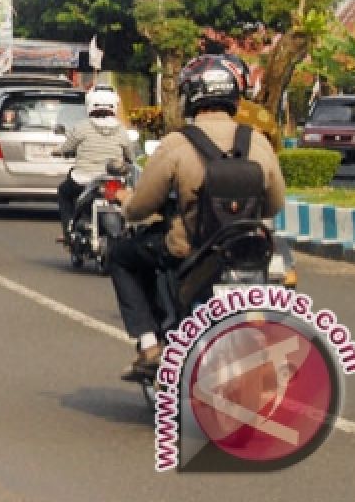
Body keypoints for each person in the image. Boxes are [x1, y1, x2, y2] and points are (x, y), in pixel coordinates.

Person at [108, 54, 285, 381]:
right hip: (246, 252)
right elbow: (274, 204)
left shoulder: (177, 144)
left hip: (188, 252)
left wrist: (126, 202)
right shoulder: (257, 141)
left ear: (190, 96)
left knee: (120, 255)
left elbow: (141, 207)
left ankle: (150, 348)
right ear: (233, 96)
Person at [55, 86, 136, 243]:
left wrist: (56, 151)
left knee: (64, 191)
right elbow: (131, 156)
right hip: (113, 183)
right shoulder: (121, 130)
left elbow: (66, 148)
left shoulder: (82, 127)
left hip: (83, 181)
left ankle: (68, 232)